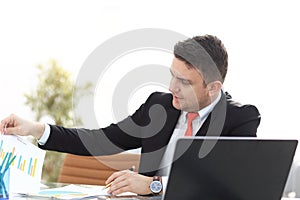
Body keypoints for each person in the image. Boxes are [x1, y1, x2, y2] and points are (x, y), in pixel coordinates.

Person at [0, 35, 260, 196]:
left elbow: (230, 186)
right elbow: (101, 139)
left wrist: (154, 185)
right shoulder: (160, 106)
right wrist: (36, 129)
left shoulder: (239, 119)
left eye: (184, 81)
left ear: (213, 87)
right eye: (172, 75)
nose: (172, 87)